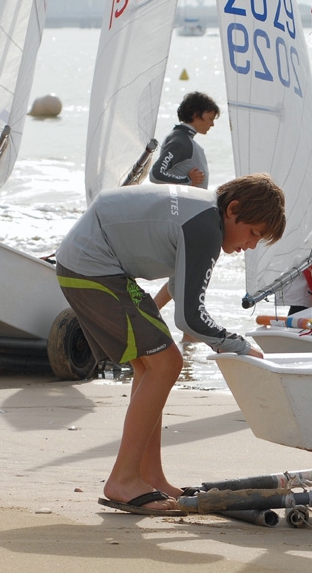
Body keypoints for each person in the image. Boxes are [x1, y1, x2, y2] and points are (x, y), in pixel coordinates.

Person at [54, 173, 286, 515]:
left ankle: (150, 476)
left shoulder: (205, 212)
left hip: (90, 262)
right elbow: (190, 319)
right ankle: (123, 480)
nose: (250, 246)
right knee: (168, 363)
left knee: (152, 364)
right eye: (253, 233)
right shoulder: (207, 227)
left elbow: (179, 288)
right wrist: (237, 344)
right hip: (93, 266)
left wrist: (150, 319)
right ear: (233, 209)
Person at [149, 91, 220, 320]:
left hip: (187, 217)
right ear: (196, 114)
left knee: (180, 278)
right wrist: (188, 181)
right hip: (185, 220)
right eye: (209, 118)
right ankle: (190, 331)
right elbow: (157, 173)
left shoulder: (185, 139)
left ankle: (148, 312)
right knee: (188, 278)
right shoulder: (181, 140)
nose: (211, 124)